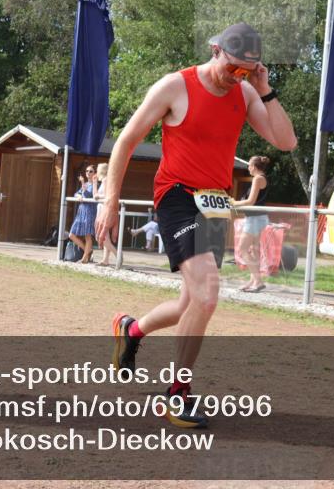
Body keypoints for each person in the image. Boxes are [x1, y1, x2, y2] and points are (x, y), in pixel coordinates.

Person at [96, 22, 296, 429]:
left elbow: (286, 141)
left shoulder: (244, 92)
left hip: (214, 203)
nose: (236, 76)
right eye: (234, 67)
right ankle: (176, 393)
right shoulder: (175, 86)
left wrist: (264, 88)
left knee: (191, 302)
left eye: (247, 70)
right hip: (177, 196)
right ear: (215, 49)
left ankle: (131, 330)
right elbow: (127, 140)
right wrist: (109, 198)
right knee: (207, 292)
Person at [231, 155, 271, 292]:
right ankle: (253, 280)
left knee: (242, 249)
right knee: (253, 250)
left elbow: (250, 201)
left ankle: (258, 281)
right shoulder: (262, 178)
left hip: (255, 219)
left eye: (249, 165)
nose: (248, 167)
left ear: (254, 167)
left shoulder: (258, 178)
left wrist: (233, 203)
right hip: (257, 218)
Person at [68, 165, 97, 263]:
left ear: (94, 173)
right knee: (72, 235)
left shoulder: (95, 185)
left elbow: (89, 195)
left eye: (91, 171)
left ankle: (84, 258)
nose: (88, 173)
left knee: (87, 236)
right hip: (81, 211)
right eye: (87, 171)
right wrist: (79, 195)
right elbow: (77, 193)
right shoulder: (86, 184)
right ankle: (88, 251)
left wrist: (83, 183)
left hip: (89, 211)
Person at [94, 163, 118, 266]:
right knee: (105, 235)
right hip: (101, 207)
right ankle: (105, 260)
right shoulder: (104, 181)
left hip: (103, 207)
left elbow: (108, 195)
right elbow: (95, 195)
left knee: (100, 235)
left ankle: (118, 254)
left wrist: (98, 196)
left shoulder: (106, 180)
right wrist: (95, 184)